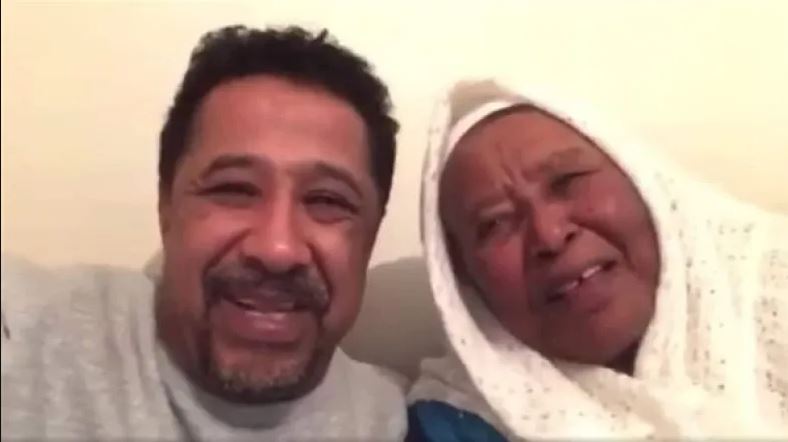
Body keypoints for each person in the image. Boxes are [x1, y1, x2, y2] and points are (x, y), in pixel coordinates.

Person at [1, 25, 407, 440]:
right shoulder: (23, 330)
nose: (277, 248)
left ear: (371, 233)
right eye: (233, 189)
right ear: (166, 206)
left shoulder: (393, 423)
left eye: (328, 200)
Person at [407, 79, 788, 439]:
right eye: (495, 222)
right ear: (462, 278)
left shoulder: (774, 287)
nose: (550, 235)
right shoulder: (456, 423)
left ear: (640, 180)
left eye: (568, 181)